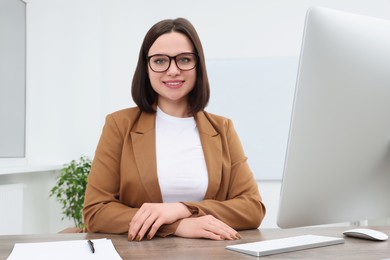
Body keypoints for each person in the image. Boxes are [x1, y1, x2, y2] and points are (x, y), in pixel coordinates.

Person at [82, 17, 266, 241]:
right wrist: (176, 226)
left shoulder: (223, 128)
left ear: (198, 65)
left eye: (184, 59)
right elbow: (96, 211)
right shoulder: (119, 125)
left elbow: (252, 208)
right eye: (160, 61)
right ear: (146, 68)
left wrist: (182, 208)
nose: (172, 70)